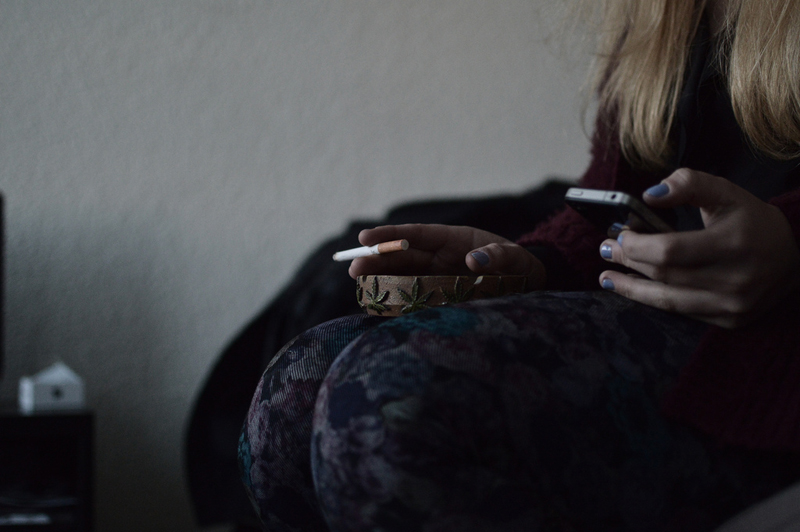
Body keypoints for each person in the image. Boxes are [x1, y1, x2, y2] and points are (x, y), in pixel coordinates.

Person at [238, 0, 800, 530]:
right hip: (672, 318)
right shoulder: (662, 13)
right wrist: (533, 264)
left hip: (772, 366)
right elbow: (613, 200)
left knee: (387, 392)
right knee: (293, 394)